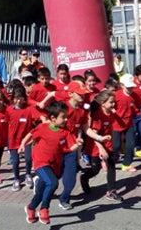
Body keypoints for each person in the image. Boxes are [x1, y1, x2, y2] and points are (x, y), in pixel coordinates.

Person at [21, 102, 82, 225]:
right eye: (63, 117)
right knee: (53, 183)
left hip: (54, 165)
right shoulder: (43, 128)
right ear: (53, 118)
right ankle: (44, 209)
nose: (66, 119)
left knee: (41, 192)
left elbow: (70, 147)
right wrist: (23, 144)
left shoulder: (65, 132)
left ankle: (31, 208)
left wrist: (78, 144)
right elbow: (30, 134)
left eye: (66, 117)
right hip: (40, 162)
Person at [80, 90, 124, 202]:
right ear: (103, 103)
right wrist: (101, 149)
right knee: (95, 169)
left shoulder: (111, 113)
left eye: (114, 102)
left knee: (111, 166)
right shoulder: (98, 115)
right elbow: (94, 135)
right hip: (95, 147)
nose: (113, 104)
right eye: (111, 102)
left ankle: (111, 191)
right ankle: (84, 178)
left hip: (107, 145)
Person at [57, 80, 91, 210]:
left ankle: (64, 199)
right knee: (54, 175)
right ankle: (40, 182)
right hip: (57, 147)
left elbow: (86, 129)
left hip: (72, 148)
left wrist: (99, 138)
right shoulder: (62, 108)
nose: (82, 96)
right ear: (71, 94)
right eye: (79, 93)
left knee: (70, 178)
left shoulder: (82, 111)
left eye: (83, 94)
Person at [6, 87, 36, 191]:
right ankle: (16, 179)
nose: (18, 101)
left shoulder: (29, 109)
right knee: (16, 161)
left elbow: (38, 117)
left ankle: (28, 174)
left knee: (28, 158)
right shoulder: (9, 109)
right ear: (13, 98)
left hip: (27, 139)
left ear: (24, 98)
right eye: (16, 98)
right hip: (13, 139)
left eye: (21, 98)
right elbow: (5, 122)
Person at [113, 74, 139, 173]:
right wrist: (112, 110)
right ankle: (108, 160)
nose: (130, 89)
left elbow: (138, 108)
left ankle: (126, 164)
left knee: (131, 145)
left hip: (129, 124)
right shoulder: (116, 95)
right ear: (122, 85)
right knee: (116, 146)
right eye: (128, 87)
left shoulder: (134, 96)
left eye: (132, 87)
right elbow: (106, 104)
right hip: (116, 124)